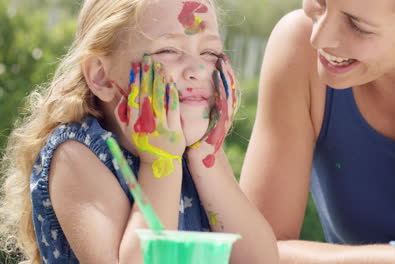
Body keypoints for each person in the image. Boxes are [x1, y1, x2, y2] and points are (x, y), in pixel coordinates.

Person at [0, 0, 279, 263]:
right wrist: (160, 161)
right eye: (168, 50)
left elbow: (260, 259)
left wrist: (206, 154)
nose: (198, 70)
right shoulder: (76, 156)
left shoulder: (197, 154)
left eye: (210, 53)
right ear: (101, 76)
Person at [240, 0, 395, 263]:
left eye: (358, 26)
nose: (319, 38)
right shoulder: (299, 46)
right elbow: (254, 252)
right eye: (320, 2)